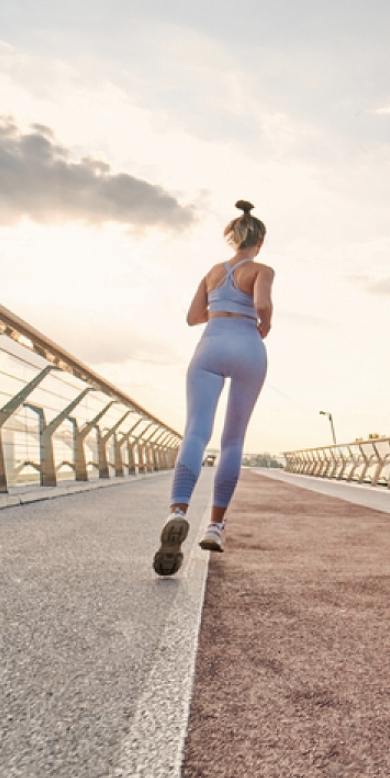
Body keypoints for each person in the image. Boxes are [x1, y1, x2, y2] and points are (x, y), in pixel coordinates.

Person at [153, 201, 274, 576]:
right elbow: (263, 305)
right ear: (261, 241)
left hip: (210, 343)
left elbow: (193, 317)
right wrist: (263, 324)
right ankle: (216, 526)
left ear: (233, 238)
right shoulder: (262, 270)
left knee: (195, 432)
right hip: (247, 345)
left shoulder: (212, 271)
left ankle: (178, 510)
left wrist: (220, 306)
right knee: (233, 441)